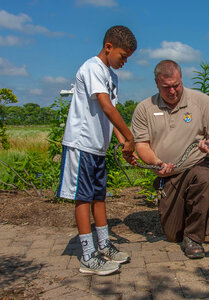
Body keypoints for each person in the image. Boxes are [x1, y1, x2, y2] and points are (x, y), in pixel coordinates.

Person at [131, 59, 209, 259]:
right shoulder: (144, 109)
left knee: (203, 177)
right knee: (172, 234)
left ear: (181, 79)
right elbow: (141, 145)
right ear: (157, 83)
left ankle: (194, 239)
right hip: (168, 174)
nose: (173, 91)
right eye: (166, 87)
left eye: (176, 85)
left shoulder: (201, 101)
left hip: (197, 164)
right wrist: (156, 163)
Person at [57, 25, 138, 275]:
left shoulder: (111, 76)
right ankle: (88, 255)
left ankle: (103, 245)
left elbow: (110, 115)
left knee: (98, 196)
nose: (124, 62)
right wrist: (130, 136)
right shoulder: (92, 67)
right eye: (123, 56)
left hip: (98, 148)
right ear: (108, 47)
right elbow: (106, 106)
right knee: (83, 197)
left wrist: (123, 143)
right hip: (81, 144)